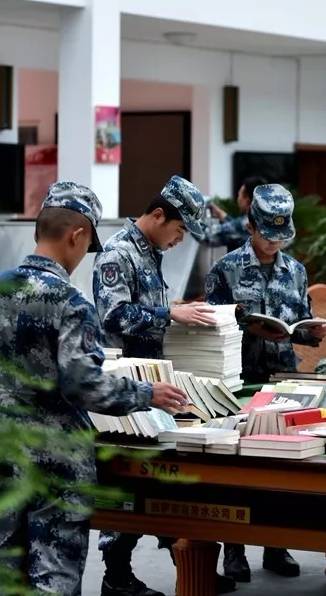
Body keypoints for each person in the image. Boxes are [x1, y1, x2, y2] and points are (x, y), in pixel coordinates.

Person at [0, 182, 188, 596]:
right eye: (86, 244)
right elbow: (83, 385)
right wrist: (146, 395)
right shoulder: (70, 303)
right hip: (56, 466)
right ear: (76, 235)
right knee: (54, 579)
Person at [93, 175, 235, 596]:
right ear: (158, 215)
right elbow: (114, 316)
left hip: (154, 383)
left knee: (166, 477)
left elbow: (145, 308)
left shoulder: (148, 251)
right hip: (125, 388)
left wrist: (176, 310)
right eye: (179, 229)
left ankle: (190, 564)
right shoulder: (118, 253)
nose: (180, 239)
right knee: (129, 482)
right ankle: (116, 576)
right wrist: (170, 315)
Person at [205, 183, 326, 581]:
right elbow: (212, 328)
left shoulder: (296, 271)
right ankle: (234, 550)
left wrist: (309, 333)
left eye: (281, 236)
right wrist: (247, 325)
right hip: (239, 379)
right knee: (237, 469)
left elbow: (300, 323)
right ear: (250, 227)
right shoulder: (225, 270)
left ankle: (277, 544)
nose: (274, 243)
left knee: (281, 468)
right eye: (267, 235)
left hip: (282, 380)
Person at [202, 175, 269, 251]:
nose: (238, 200)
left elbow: (206, 236)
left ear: (246, 200)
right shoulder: (264, 220)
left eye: (239, 195)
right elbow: (235, 227)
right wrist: (221, 214)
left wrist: (191, 215)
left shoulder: (245, 223)